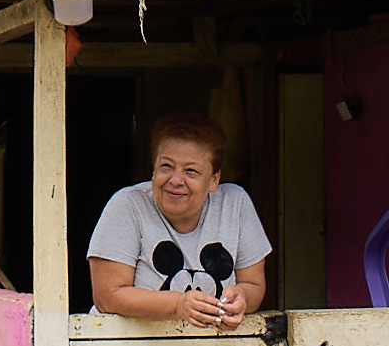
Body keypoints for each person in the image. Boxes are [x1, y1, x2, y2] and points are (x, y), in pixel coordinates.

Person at [86, 113, 270, 330]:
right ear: (153, 169)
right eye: (166, 166)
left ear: (213, 180)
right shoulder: (127, 205)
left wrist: (241, 299)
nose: (175, 180)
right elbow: (107, 296)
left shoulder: (235, 203)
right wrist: (178, 305)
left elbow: (254, 284)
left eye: (191, 171)